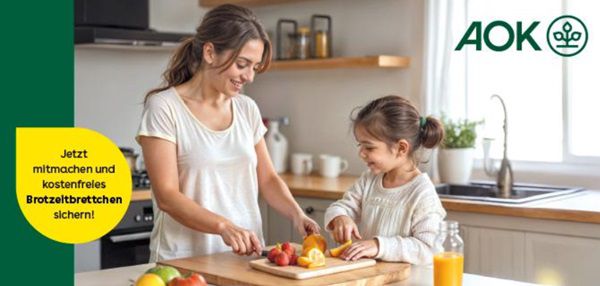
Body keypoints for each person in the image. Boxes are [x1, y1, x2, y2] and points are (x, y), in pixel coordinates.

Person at [136, 4, 320, 262]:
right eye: (242, 64)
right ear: (210, 52)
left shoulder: (246, 108)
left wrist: (296, 214)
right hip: (183, 262)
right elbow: (167, 196)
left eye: (254, 67)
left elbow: (267, 179)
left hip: (245, 258)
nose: (249, 77)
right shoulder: (165, 108)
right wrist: (223, 226)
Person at [324, 95, 447, 265]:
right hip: (373, 278)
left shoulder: (422, 193)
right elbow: (342, 206)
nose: (361, 153)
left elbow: (428, 249)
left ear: (401, 148)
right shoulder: (369, 180)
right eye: (360, 145)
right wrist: (340, 217)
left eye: (369, 147)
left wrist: (379, 245)